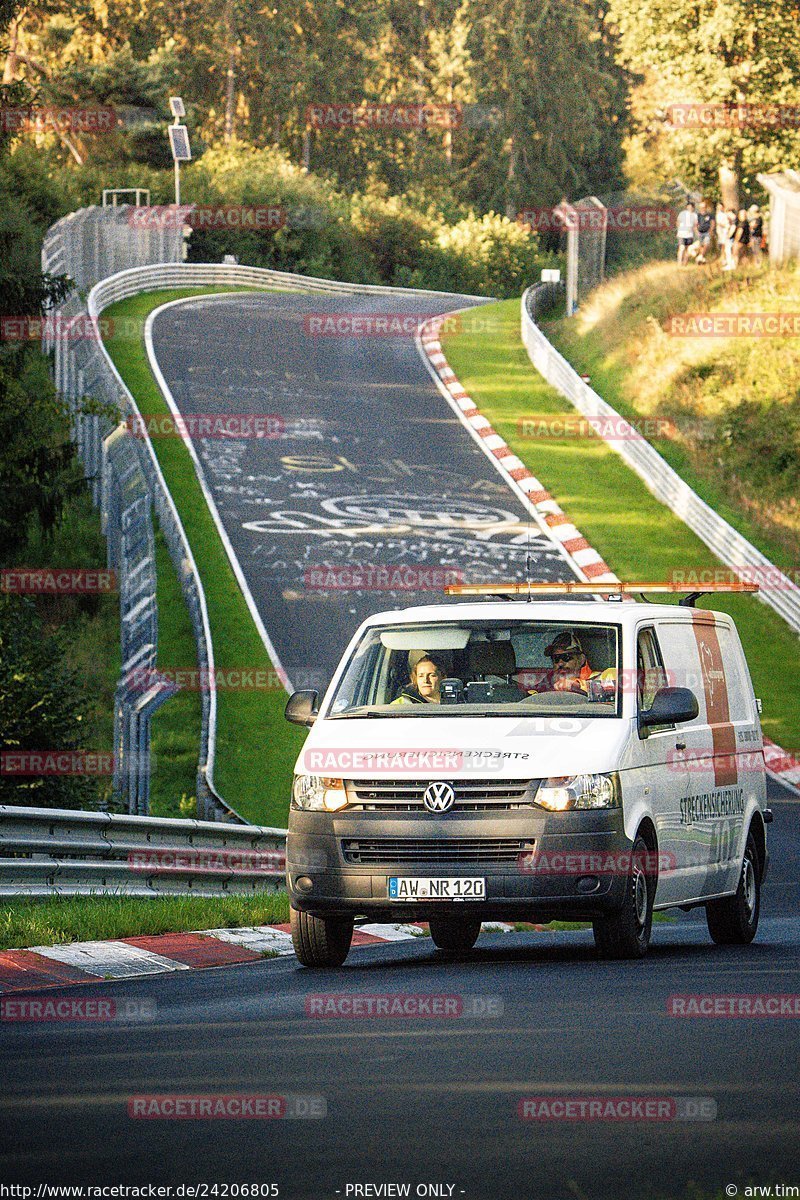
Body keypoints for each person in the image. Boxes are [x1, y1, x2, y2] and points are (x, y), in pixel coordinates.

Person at [528, 632, 617, 698]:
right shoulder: (549, 680)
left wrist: (578, 685)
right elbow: (531, 696)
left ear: (581, 660)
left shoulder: (604, 675)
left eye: (566, 657)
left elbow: (620, 684)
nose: (560, 663)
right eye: (556, 658)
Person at [676, 200, 698, 265]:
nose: (690, 208)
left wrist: (696, 233)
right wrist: (679, 230)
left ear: (693, 208)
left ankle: (685, 262)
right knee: (681, 248)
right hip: (681, 234)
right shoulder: (682, 213)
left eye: (691, 207)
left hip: (690, 234)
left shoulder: (694, 215)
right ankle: (679, 262)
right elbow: (678, 222)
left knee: (688, 249)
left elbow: (695, 225)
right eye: (688, 206)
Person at [695, 199, 715, 264]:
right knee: (701, 245)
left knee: (706, 244)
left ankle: (700, 256)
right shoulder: (698, 215)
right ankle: (701, 258)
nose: (702, 208)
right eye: (701, 207)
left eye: (704, 207)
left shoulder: (709, 215)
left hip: (707, 232)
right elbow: (696, 224)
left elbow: (712, 223)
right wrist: (696, 231)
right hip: (700, 232)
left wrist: (711, 230)